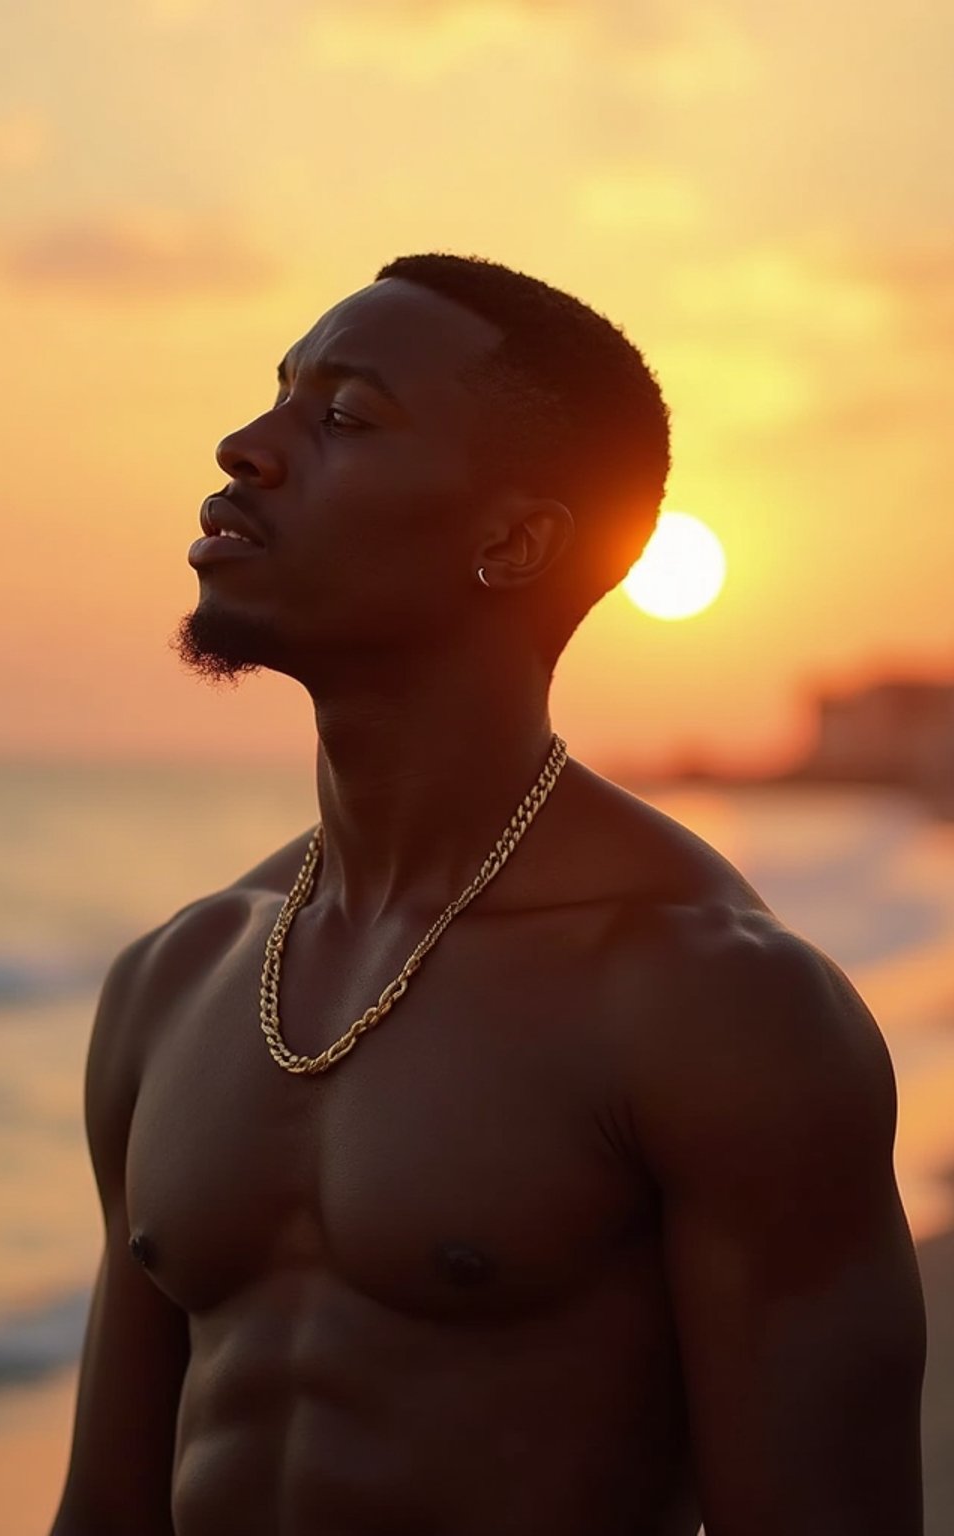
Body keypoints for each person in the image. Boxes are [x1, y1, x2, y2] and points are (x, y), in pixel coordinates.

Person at [49, 254, 926, 1536]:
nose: (245, 447)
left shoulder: (713, 1006)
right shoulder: (172, 983)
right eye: (278, 396)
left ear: (512, 541)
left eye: (343, 417)